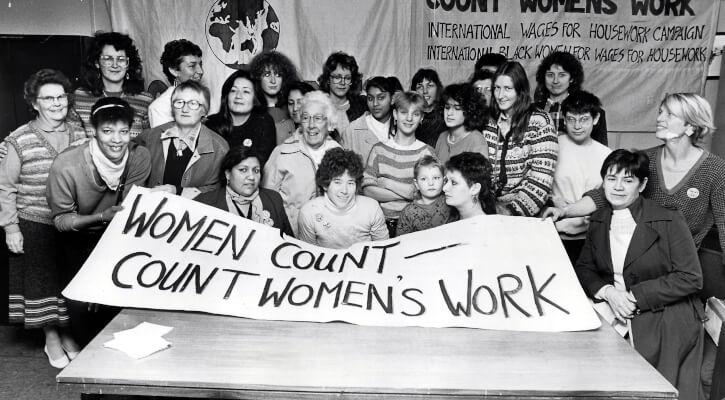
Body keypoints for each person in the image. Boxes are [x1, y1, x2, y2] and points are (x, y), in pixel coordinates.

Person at [542, 93, 725, 398]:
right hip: (634, 266)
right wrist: (565, 210)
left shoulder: (715, 171)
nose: (659, 118)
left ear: (690, 127)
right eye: (660, 112)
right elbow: (604, 195)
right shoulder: (647, 161)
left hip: (678, 271)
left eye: (668, 114)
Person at [574, 149, 704, 400]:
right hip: (613, 307)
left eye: (628, 180)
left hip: (665, 314)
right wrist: (609, 292)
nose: (618, 187)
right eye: (611, 179)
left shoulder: (668, 219)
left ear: (642, 184)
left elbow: (691, 277)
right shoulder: (599, 219)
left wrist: (633, 296)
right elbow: (585, 268)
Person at [47, 97, 151, 346]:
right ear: (93, 131)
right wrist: (101, 217)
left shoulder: (139, 156)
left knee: (116, 312)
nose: (117, 139)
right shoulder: (66, 164)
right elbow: (61, 220)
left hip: (116, 237)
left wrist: (102, 271)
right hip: (77, 239)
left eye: (123, 131)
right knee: (83, 310)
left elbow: (126, 214)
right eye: (107, 131)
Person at [0, 69, 86, 368]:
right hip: (35, 221)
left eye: (61, 96)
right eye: (48, 98)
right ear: (34, 103)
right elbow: (6, 187)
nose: (56, 103)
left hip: (74, 222)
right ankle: (52, 337)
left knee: (70, 283)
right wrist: (11, 228)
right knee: (43, 284)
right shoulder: (19, 139)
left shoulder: (80, 132)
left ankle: (68, 332)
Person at [483, 61, 558, 217]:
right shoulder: (487, 122)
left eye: (508, 89)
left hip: (525, 208)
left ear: (520, 91)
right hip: (489, 207)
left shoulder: (540, 122)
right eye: (497, 88)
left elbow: (541, 183)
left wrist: (510, 212)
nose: (500, 95)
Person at [262, 91, 341, 234]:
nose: (311, 125)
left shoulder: (339, 154)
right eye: (305, 118)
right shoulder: (282, 152)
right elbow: (266, 199)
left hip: (330, 237)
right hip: (291, 236)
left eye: (318, 118)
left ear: (329, 122)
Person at [137, 81, 228, 199]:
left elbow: (219, 190)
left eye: (193, 104)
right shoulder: (152, 136)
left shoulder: (219, 149)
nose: (185, 109)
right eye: (179, 102)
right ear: (172, 108)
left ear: (204, 111)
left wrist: (179, 191)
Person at [362, 91, 435, 237]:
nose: (409, 118)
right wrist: (409, 193)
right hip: (381, 226)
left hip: (416, 227)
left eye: (415, 114)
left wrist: (388, 183)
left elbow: (429, 193)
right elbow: (367, 190)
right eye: (403, 112)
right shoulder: (379, 150)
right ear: (395, 115)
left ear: (421, 118)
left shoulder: (426, 153)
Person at [551, 91, 611, 264]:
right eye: (571, 119)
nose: (577, 126)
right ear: (564, 119)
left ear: (596, 119)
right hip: (555, 234)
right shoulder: (552, 146)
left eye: (584, 119)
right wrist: (553, 199)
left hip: (592, 238)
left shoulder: (607, 155)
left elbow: (608, 197)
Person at [297, 148, 388, 248]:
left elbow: (384, 250)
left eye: (350, 183)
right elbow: (308, 255)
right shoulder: (309, 212)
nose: (344, 190)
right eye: (337, 182)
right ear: (325, 184)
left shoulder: (371, 208)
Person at [195, 146, 293, 236]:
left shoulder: (274, 199)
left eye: (256, 171)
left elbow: (289, 244)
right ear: (228, 174)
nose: (251, 177)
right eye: (243, 170)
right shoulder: (204, 203)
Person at [70, 31, 153, 138]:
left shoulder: (144, 100)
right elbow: (74, 141)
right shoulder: (80, 96)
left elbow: (150, 141)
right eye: (108, 59)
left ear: (128, 64)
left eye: (121, 59)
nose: (115, 65)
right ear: (97, 63)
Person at [533, 51, 608, 145]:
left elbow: (601, 152)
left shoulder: (591, 111)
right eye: (550, 75)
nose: (555, 81)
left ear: (572, 79)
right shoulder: (531, 111)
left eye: (562, 75)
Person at [205, 70, 276, 162]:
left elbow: (265, 165)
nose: (238, 96)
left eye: (246, 91)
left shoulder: (264, 122)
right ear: (226, 96)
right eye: (233, 90)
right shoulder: (210, 124)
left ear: (255, 99)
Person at [342, 76, 401, 165]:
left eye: (381, 98)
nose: (375, 103)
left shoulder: (402, 126)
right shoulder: (352, 130)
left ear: (392, 99)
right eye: (370, 98)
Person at [148, 39, 204, 127]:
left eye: (200, 65)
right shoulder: (160, 108)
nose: (200, 71)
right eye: (192, 66)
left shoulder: (202, 99)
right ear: (174, 71)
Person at [249, 51, 300, 145]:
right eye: (267, 75)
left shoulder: (293, 108)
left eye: (278, 75)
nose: (273, 81)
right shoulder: (251, 111)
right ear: (257, 78)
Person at [397, 155, 451, 235]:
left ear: (444, 181)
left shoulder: (451, 202)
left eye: (436, 178)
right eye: (424, 179)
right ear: (417, 184)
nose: (431, 183)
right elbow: (401, 242)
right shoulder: (408, 212)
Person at [435, 83, 489, 163]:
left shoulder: (476, 140)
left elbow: (479, 175)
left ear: (469, 110)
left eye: (457, 108)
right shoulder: (442, 137)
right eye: (447, 107)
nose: (449, 113)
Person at [317, 51, 367, 134]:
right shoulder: (317, 106)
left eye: (347, 78)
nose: (342, 82)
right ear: (328, 79)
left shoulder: (362, 107)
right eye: (337, 77)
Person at [442, 152, 496, 220]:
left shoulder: (485, 226)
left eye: (454, 183)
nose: (444, 188)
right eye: (446, 181)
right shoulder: (451, 218)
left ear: (475, 189)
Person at [411, 68, 446, 147]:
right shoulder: (409, 115)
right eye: (420, 87)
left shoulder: (445, 114)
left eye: (430, 86)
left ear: (438, 88)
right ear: (414, 91)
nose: (425, 91)